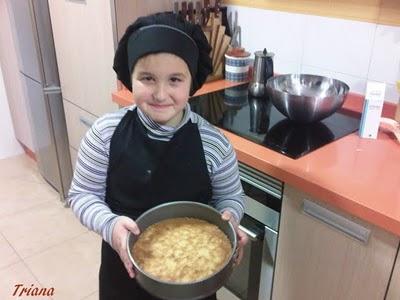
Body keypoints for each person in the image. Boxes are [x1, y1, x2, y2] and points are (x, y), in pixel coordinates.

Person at [68, 12, 247, 300]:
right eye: (148, 78)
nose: (161, 94)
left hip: (196, 281)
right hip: (123, 276)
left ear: (192, 83)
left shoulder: (215, 144)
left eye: (175, 79)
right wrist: (111, 226)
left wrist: (231, 219)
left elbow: (232, 198)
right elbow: (82, 195)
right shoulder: (105, 134)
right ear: (130, 78)